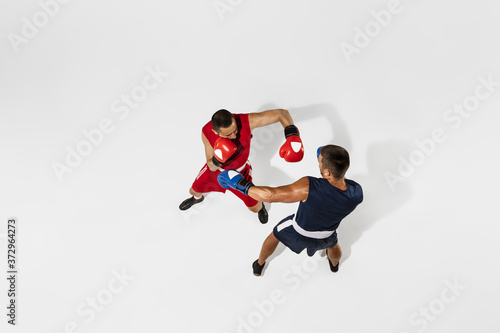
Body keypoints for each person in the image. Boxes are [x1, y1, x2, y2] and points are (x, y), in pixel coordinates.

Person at [218, 144, 363, 275]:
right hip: (327, 234)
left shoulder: (309, 186)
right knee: (333, 244)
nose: (318, 161)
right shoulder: (357, 193)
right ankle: (335, 265)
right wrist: (326, 159)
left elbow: (269, 196)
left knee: (273, 236)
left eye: (319, 161)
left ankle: (259, 263)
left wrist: (237, 182)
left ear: (327, 172)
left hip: (299, 231)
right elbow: (334, 188)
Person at [179, 108, 304, 224]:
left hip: (239, 173)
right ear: (215, 131)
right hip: (216, 171)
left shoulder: (246, 121)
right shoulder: (206, 132)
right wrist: (218, 159)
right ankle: (197, 199)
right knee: (193, 190)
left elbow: (281, 113)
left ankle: (261, 207)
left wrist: (292, 135)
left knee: (254, 208)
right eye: (228, 135)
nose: (234, 136)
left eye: (235, 131)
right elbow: (211, 166)